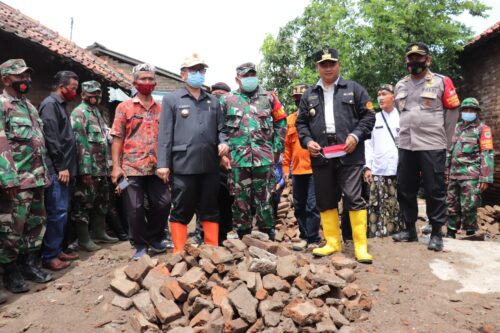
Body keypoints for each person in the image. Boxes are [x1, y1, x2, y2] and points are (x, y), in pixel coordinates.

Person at [296, 48, 375, 263]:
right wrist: (307, 141)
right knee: (325, 198)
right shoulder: (309, 94)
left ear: (338, 64)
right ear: (317, 67)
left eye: (331, 63)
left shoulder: (354, 89)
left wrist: (356, 136)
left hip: (349, 152)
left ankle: (360, 246)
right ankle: (332, 242)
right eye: (323, 64)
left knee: (353, 196)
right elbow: (301, 123)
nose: (328, 68)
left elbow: (368, 117)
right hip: (321, 153)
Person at [392, 42, 461, 251]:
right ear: (406, 62)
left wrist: (445, 140)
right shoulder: (400, 85)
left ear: (428, 60)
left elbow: (452, 112)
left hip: (432, 144)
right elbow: (401, 111)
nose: (414, 62)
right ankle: (409, 229)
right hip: (406, 144)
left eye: (419, 58)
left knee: (434, 189)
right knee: (405, 188)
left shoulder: (442, 82)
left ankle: (437, 232)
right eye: (411, 58)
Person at [157, 54, 228, 253]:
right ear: (183, 74)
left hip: (210, 165)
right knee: (181, 208)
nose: (197, 74)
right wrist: (163, 163)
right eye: (193, 70)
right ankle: (179, 251)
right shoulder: (172, 100)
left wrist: (224, 144)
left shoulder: (213, 101)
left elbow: (222, 130)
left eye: (201, 70)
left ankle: (212, 249)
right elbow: (164, 134)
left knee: (210, 207)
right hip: (183, 164)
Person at [0, 59, 52, 292]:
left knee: (35, 224)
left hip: (37, 177)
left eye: (27, 76)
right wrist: (8, 178)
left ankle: (29, 266)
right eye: (20, 76)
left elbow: (39, 143)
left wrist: (45, 174)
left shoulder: (29, 106)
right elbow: (1, 144)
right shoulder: (2, 105)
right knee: (12, 230)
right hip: (17, 180)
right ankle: (10, 274)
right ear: (6, 79)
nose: (26, 80)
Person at [220, 62, 287, 240]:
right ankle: (243, 231)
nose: (249, 78)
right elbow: (220, 128)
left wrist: (277, 148)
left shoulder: (270, 97)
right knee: (240, 197)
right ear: (237, 79)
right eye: (245, 76)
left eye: (252, 74)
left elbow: (281, 122)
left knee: (265, 196)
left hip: (264, 157)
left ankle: (267, 229)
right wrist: (223, 154)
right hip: (238, 158)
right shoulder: (227, 100)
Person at [111, 63, 171, 260]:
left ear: (155, 83)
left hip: (156, 167)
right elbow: (117, 137)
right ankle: (139, 244)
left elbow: (167, 138)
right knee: (135, 209)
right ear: (135, 82)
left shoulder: (162, 109)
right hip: (131, 167)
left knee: (164, 203)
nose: (147, 82)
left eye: (150, 79)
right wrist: (116, 167)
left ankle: (154, 237)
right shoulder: (124, 107)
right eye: (143, 79)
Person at [38, 71, 81, 270]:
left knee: (63, 212)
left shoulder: (62, 106)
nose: (75, 91)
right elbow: (51, 138)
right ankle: (49, 256)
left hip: (65, 168)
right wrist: (61, 166)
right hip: (57, 169)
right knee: (56, 212)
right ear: (62, 87)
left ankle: (57, 250)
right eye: (73, 88)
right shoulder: (50, 105)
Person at [70, 80, 118, 253]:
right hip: (89, 169)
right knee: (83, 203)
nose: (95, 97)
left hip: (102, 168)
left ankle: (99, 232)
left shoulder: (97, 113)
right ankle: (84, 239)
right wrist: (85, 169)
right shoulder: (79, 113)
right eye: (91, 94)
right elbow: (79, 143)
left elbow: (107, 136)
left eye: (97, 94)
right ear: (83, 95)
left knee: (101, 201)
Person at [446, 98, 494, 238]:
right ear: (461, 112)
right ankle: (451, 231)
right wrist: (445, 170)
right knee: (451, 204)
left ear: (476, 112)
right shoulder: (456, 128)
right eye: (465, 110)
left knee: (469, 205)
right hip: (454, 174)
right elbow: (449, 151)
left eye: (471, 110)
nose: (468, 112)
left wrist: (485, 177)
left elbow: (487, 153)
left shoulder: (483, 129)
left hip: (471, 175)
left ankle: (470, 233)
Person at [283, 83, 321, 251]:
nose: (299, 101)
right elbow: (287, 147)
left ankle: (314, 238)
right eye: (297, 99)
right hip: (297, 170)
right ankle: (304, 236)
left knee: (312, 205)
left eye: (302, 98)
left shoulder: (318, 117)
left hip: (315, 169)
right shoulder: (290, 120)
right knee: (298, 205)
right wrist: (285, 169)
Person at [364, 84, 403, 237]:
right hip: (378, 168)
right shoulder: (374, 118)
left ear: (393, 97)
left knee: (395, 202)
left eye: (384, 93)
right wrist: (367, 167)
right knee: (376, 203)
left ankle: (396, 232)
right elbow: (368, 144)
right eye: (379, 94)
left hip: (397, 168)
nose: (380, 97)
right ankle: (377, 233)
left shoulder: (402, 117)